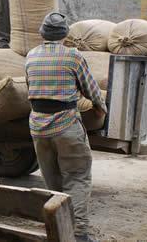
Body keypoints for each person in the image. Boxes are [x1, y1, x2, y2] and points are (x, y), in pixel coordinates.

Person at [25, 12, 107, 242]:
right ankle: (78, 234)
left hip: (38, 127)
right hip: (66, 125)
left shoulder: (31, 56)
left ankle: (58, 229)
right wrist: (101, 108)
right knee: (78, 177)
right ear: (65, 35)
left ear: (42, 34)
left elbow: (30, 87)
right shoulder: (73, 56)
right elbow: (91, 90)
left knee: (53, 180)